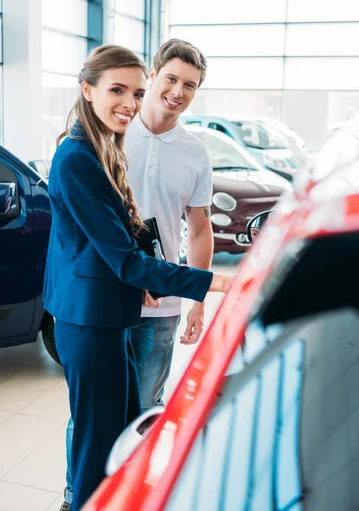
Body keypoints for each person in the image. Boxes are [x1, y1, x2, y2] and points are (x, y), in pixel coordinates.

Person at [44, 44, 231, 511]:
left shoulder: (105, 143)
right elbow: (125, 260)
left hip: (115, 311)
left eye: (135, 92)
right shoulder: (77, 157)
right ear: (87, 90)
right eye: (117, 91)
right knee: (95, 442)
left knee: (127, 425)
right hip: (92, 317)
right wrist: (220, 284)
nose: (129, 102)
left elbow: (140, 234)